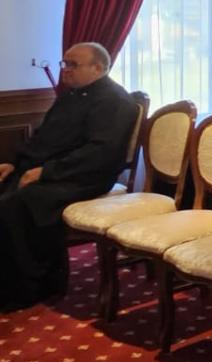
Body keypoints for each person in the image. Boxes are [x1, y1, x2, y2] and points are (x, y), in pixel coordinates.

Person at [0, 42, 139, 310]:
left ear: (98, 68)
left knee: (13, 207)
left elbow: (100, 153)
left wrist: (46, 172)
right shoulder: (71, 96)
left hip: (84, 177)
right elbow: (42, 138)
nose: (65, 69)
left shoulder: (114, 100)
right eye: (64, 63)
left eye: (72, 64)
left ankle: (32, 286)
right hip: (53, 171)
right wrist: (14, 164)